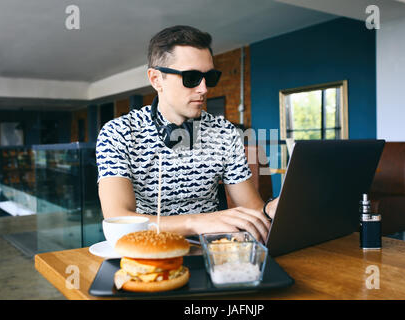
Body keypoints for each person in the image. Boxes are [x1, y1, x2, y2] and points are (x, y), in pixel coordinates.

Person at [96, 25, 278, 243]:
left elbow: (253, 211)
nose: (204, 89)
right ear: (156, 79)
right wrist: (196, 222)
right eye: (191, 78)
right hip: (147, 251)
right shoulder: (117, 133)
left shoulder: (227, 133)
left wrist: (270, 210)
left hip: (212, 253)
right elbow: (119, 220)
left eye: (209, 78)